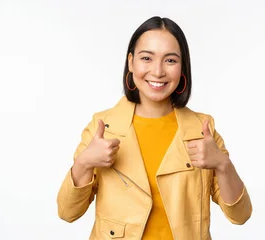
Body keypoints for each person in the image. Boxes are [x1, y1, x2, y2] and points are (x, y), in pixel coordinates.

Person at [56, 16, 252, 239]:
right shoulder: (102, 127)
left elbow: (241, 214)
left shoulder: (202, 129)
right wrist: (84, 163)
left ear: (182, 67)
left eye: (170, 60)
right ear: (131, 62)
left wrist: (222, 164)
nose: (158, 71)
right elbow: (67, 212)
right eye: (146, 58)